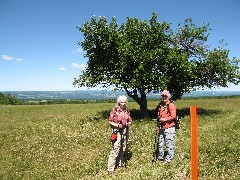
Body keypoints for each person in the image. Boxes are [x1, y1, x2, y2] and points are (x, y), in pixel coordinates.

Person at [107, 95, 132, 175]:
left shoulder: (127, 110)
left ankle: (120, 164)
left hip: (125, 130)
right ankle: (110, 169)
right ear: (119, 102)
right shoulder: (114, 110)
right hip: (117, 131)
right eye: (121, 102)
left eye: (125, 102)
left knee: (123, 147)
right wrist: (117, 125)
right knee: (116, 148)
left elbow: (130, 120)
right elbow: (110, 121)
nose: (123, 104)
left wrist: (128, 123)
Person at [156, 90, 177, 163]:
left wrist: (165, 119)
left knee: (169, 143)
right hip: (161, 127)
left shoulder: (171, 105)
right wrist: (158, 123)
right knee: (160, 142)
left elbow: (173, 116)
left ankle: (169, 158)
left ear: (168, 97)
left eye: (165, 96)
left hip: (169, 127)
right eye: (163, 96)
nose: (164, 97)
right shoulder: (161, 105)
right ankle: (160, 156)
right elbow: (159, 116)